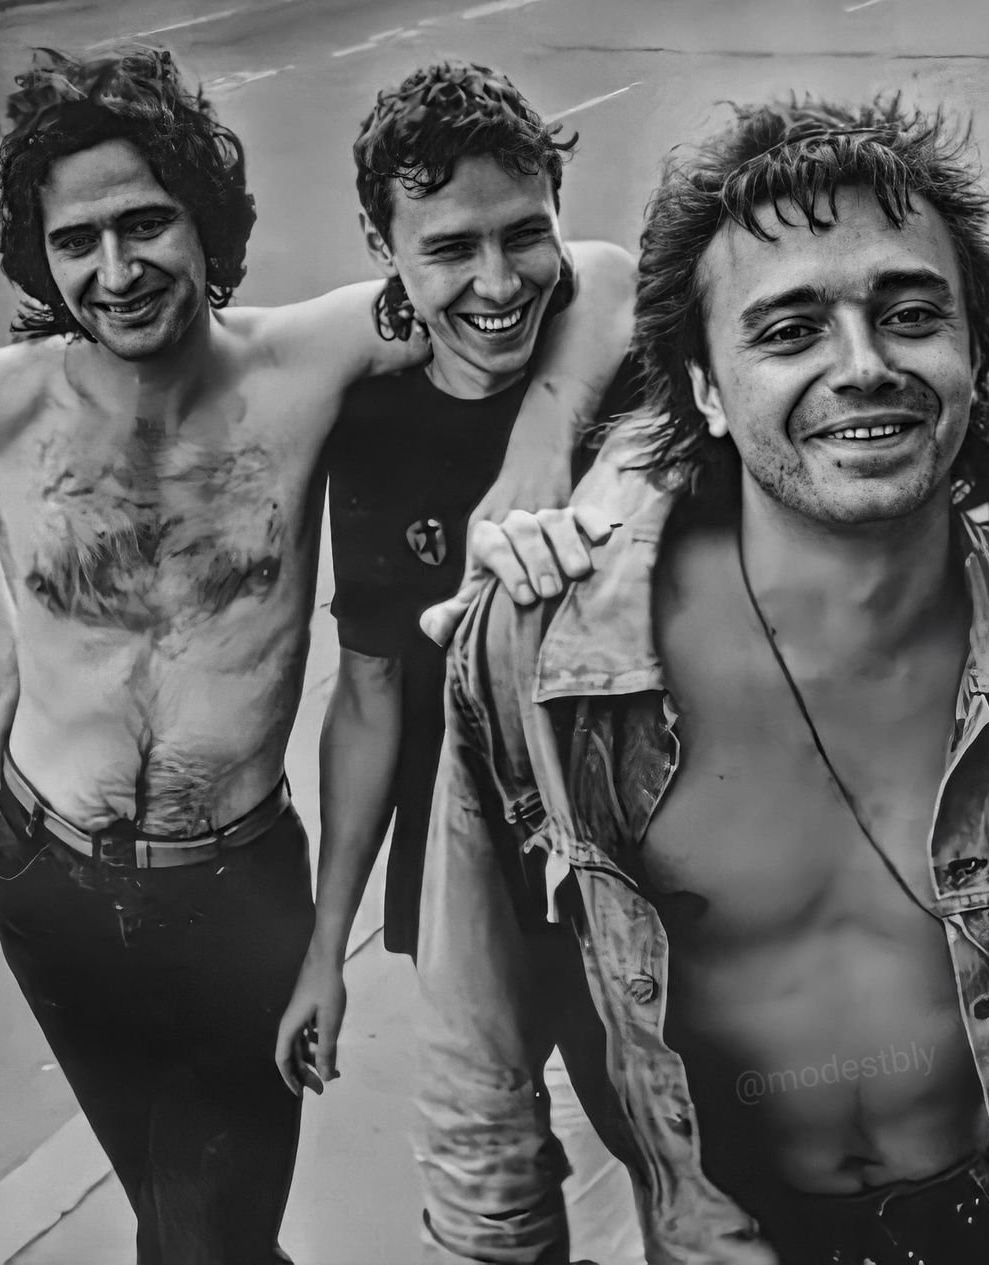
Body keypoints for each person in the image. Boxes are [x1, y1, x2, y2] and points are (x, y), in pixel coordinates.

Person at [412, 94, 989, 1265]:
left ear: (974, 348)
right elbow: (479, 1076)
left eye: (909, 314)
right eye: (788, 330)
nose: (863, 365)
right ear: (700, 388)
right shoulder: (545, 664)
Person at [0, 46, 628, 1265]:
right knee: (177, 1217)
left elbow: (598, 273)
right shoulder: (0, 400)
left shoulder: (310, 358)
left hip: (233, 891)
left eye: (146, 223)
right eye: (76, 242)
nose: (116, 270)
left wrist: (541, 431)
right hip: (47, 882)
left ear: (203, 221)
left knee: (207, 1234)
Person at [272, 61, 645, 1265]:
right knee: (492, 1168)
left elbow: (615, 271)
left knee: (667, 1141)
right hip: (468, 867)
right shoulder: (371, 427)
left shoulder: (624, 372)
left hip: (638, 866)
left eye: (522, 233)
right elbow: (371, 695)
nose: (496, 283)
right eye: (448, 249)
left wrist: (548, 428)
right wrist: (324, 950)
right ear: (381, 247)